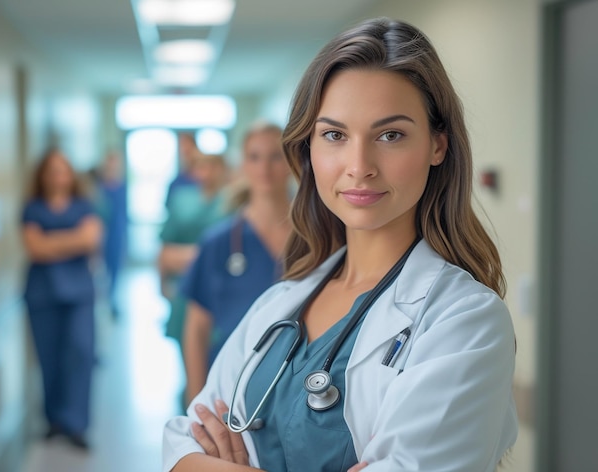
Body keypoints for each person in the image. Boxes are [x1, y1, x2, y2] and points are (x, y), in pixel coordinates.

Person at [162, 17, 518, 472]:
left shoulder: (466, 320)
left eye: (390, 135)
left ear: (438, 145)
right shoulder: (280, 303)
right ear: (309, 149)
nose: (359, 165)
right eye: (334, 135)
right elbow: (181, 442)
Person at [180, 122, 292, 408]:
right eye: (254, 157)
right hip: (232, 382)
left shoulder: (317, 239)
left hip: (298, 380)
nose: (265, 167)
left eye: (276, 156)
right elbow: (195, 330)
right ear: (243, 165)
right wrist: (197, 401)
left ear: (293, 161)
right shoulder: (219, 242)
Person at [20, 147, 102, 451]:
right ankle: (54, 420)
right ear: (42, 176)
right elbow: (34, 248)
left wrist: (50, 241)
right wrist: (72, 241)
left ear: (71, 175)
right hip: (42, 295)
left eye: (63, 169)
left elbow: (90, 239)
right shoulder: (32, 208)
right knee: (49, 358)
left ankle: (77, 424)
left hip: (79, 294)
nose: (58, 176)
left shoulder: (84, 206)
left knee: (81, 353)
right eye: (52, 170)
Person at [158, 153, 230, 409]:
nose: (206, 173)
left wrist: (189, 255)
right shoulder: (182, 200)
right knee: (191, 364)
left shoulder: (234, 202)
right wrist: (162, 285)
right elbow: (165, 253)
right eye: (201, 167)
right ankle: (193, 416)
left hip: (225, 294)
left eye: (213, 166)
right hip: (185, 292)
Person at [96, 150, 128, 320]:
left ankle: (113, 302)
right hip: (102, 236)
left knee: (115, 271)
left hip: (117, 235)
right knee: (102, 271)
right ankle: (103, 302)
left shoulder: (122, 187)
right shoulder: (98, 189)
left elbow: (124, 215)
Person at [164, 132, 201, 210]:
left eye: (188, 150)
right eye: (182, 150)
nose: (185, 151)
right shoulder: (176, 182)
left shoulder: (205, 180)